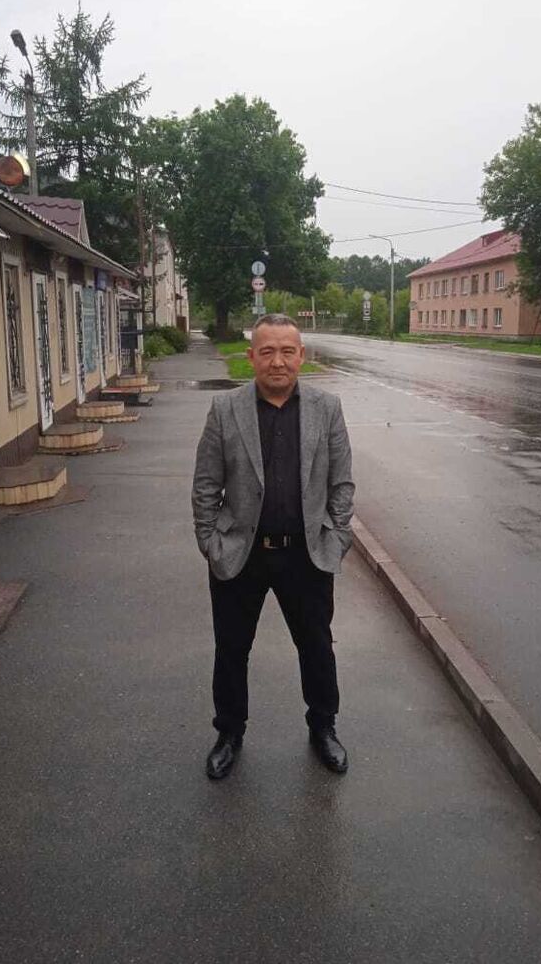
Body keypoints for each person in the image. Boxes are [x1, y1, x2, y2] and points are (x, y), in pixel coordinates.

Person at [192, 313, 355, 780]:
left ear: (301, 355)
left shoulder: (327, 408)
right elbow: (206, 485)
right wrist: (211, 543)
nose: (277, 361)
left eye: (287, 351)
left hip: (306, 554)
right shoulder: (226, 409)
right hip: (240, 554)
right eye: (267, 351)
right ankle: (229, 733)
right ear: (252, 357)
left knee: (316, 646)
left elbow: (342, 483)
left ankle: (323, 727)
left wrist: (335, 536)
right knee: (231, 650)